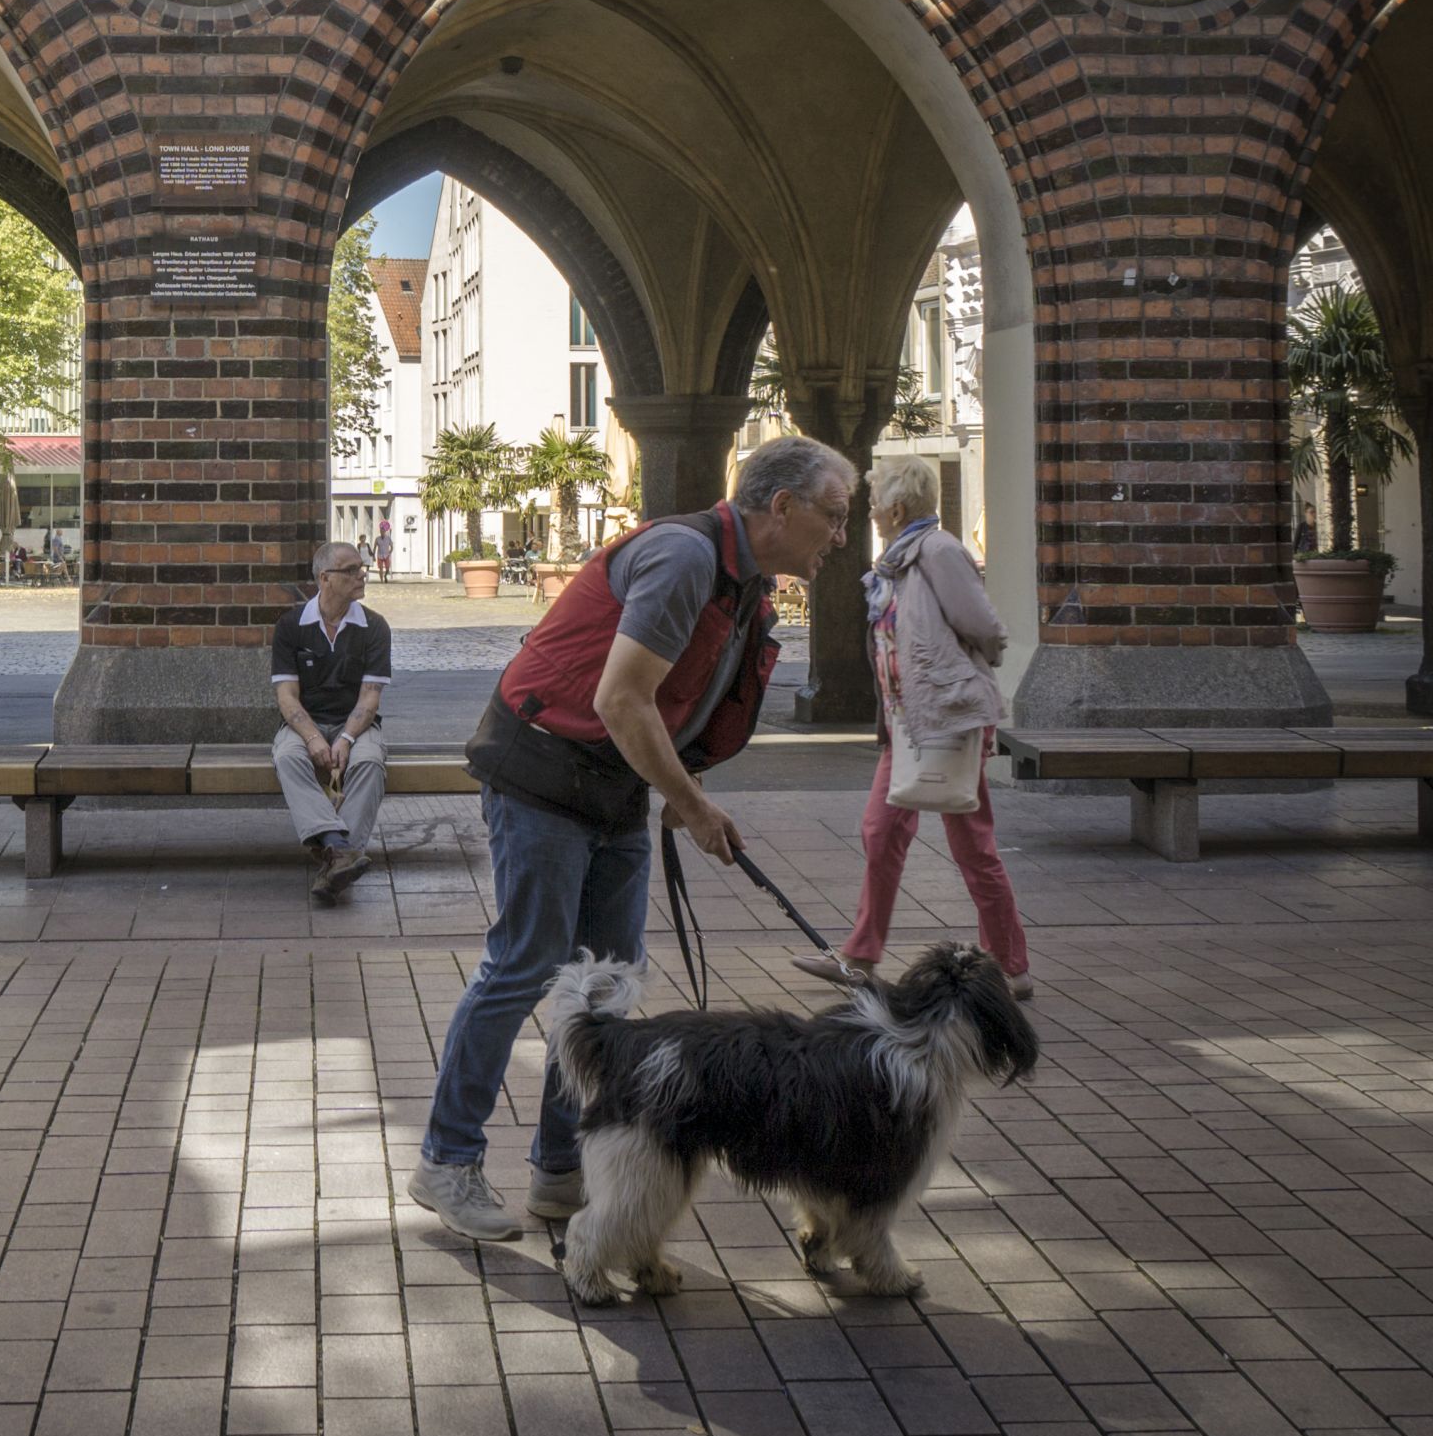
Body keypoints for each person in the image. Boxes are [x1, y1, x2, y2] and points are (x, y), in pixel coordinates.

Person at [413, 434, 856, 1241]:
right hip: (544, 769)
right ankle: (447, 1159)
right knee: (525, 966)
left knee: (606, 985)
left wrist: (672, 791)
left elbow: (669, 710)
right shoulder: (687, 559)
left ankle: (561, 1169)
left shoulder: (745, 587)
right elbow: (623, 698)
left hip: (610, 787)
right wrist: (689, 803)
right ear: (781, 507)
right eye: (832, 516)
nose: (840, 536)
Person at [792, 456, 1033, 1001]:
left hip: (947, 719)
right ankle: (859, 956)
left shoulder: (940, 551)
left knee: (973, 847)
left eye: (875, 503)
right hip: (907, 724)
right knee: (881, 832)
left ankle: (1011, 966)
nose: (870, 513)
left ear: (898, 508)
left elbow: (986, 628)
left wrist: (961, 675)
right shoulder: (897, 562)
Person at [271, 540, 394, 904]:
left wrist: (346, 739)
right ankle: (341, 850)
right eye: (352, 570)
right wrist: (312, 738)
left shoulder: (374, 626)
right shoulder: (291, 626)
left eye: (362, 567)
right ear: (325, 578)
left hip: (355, 725)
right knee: (288, 757)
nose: (362, 574)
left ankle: (336, 856)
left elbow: (370, 697)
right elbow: (287, 697)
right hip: (304, 724)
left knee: (371, 762)